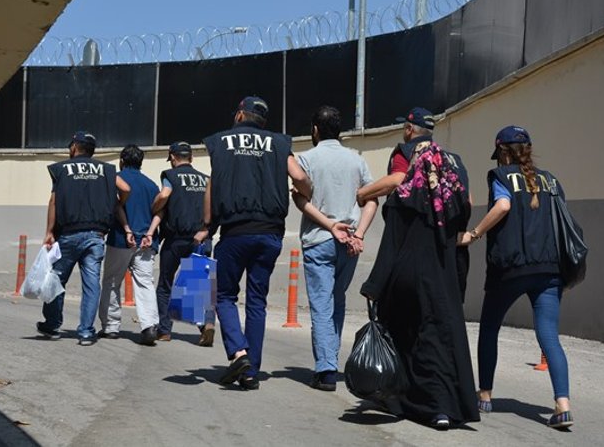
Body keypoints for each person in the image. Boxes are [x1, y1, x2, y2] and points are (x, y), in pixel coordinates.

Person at [357, 109, 479, 429]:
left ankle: (400, 396)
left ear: (410, 130)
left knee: (404, 329)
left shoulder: (405, 161)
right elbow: (468, 203)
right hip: (446, 263)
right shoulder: (455, 163)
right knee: (440, 333)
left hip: (409, 266)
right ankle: (443, 406)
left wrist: (375, 282)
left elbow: (393, 237)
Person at [459, 125, 573, 429]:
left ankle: (484, 394)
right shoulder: (551, 180)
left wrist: (475, 232)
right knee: (548, 335)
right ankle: (562, 405)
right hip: (549, 268)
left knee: (490, 328)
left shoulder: (500, 176)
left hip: (510, 268)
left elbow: (504, 205)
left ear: (504, 153)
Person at [196, 96, 312, 390]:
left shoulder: (221, 142)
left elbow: (212, 188)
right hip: (270, 234)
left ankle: (239, 353)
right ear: (262, 121)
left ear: (239, 116)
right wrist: (305, 192)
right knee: (257, 301)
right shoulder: (278, 143)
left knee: (223, 295)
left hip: (235, 232)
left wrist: (207, 226)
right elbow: (300, 176)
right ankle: (251, 372)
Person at [291, 105, 378, 391]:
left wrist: (329, 225)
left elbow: (302, 202)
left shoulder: (307, 159)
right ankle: (330, 361)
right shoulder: (357, 161)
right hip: (350, 241)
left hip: (320, 239)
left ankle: (326, 369)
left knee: (321, 304)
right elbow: (372, 200)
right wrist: (360, 233)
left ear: (315, 130)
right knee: (336, 301)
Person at [37, 131, 130, 345]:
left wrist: (49, 231)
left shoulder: (62, 169)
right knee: (91, 284)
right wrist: (117, 204)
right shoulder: (106, 169)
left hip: (68, 235)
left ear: (74, 147)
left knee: (56, 279)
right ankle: (86, 332)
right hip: (96, 236)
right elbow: (126, 188)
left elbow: (53, 202)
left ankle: (52, 325)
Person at [151, 142, 213, 345]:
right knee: (197, 285)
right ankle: (205, 326)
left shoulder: (169, 175)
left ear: (172, 157)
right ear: (192, 158)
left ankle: (165, 331)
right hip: (201, 238)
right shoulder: (205, 179)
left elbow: (165, 195)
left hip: (176, 239)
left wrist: (155, 206)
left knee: (165, 285)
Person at [98, 144, 160, 346]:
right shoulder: (151, 186)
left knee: (111, 282)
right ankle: (149, 326)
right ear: (141, 163)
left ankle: (111, 327)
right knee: (145, 283)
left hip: (120, 239)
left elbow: (112, 207)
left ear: (121, 161)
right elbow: (159, 211)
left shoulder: (115, 180)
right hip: (146, 241)